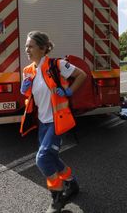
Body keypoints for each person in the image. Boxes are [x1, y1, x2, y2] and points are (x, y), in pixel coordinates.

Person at [20, 31, 87, 213]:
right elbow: (30, 95)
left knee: (42, 159)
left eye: (30, 46)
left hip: (57, 121)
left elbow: (81, 75)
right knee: (51, 157)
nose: (27, 49)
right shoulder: (28, 71)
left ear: (42, 48)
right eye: (26, 46)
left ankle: (57, 197)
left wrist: (69, 91)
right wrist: (24, 89)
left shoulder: (57, 65)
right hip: (42, 122)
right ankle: (71, 183)